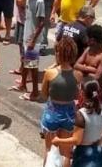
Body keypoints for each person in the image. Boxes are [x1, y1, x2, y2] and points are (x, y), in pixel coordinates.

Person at [51, 80, 102, 167]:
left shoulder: (81, 114)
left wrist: (58, 141)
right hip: (99, 152)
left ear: (82, 93)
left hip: (84, 155)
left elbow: (77, 140)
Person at [40, 37, 83, 167]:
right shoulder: (78, 75)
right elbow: (76, 95)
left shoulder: (49, 73)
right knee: (65, 153)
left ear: (58, 53)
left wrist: (54, 65)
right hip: (69, 113)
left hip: (52, 112)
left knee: (49, 150)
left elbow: (43, 95)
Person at [19, 0, 45, 101]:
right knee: (25, 62)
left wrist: (33, 41)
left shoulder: (39, 1)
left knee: (33, 67)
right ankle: (23, 84)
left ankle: (35, 92)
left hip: (33, 41)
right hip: (27, 37)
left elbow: (41, 23)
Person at [9, 0, 33, 82]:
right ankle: (22, 68)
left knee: (27, 48)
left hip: (27, 21)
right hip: (20, 19)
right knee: (20, 45)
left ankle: (28, 74)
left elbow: (21, 2)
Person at [75, 24, 102, 102]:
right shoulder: (88, 49)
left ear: (92, 40)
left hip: (96, 91)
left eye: (87, 38)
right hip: (83, 88)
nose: (86, 40)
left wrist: (83, 69)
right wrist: (91, 69)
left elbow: (96, 77)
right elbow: (76, 65)